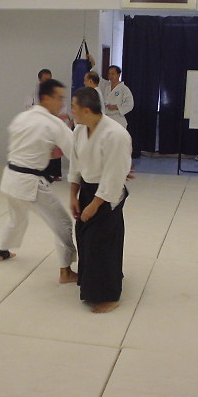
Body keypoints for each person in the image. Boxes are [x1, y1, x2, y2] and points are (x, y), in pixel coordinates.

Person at [0, 78, 78, 284]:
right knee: (63, 223)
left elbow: (25, 147)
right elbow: (76, 153)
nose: (62, 103)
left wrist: (46, 151)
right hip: (29, 183)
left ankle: (2, 251)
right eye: (59, 98)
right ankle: (66, 271)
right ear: (46, 98)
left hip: (9, 178)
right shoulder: (53, 123)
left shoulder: (22, 117)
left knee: (16, 217)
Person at [69, 87, 132, 313]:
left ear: (86, 110)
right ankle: (94, 285)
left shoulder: (116, 134)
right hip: (88, 188)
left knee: (101, 241)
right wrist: (73, 195)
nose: (71, 111)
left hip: (108, 193)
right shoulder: (79, 130)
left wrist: (95, 205)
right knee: (84, 236)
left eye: (74, 107)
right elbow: (75, 164)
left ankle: (110, 295)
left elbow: (115, 175)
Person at [25, 68, 63, 181]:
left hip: (51, 120)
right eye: (45, 79)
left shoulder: (54, 91)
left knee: (54, 145)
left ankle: (55, 174)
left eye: (49, 79)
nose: (48, 81)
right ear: (39, 79)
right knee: (41, 147)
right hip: (37, 122)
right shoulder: (33, 91)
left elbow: (60, 106)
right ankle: (40, 172)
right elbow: (28, 106)